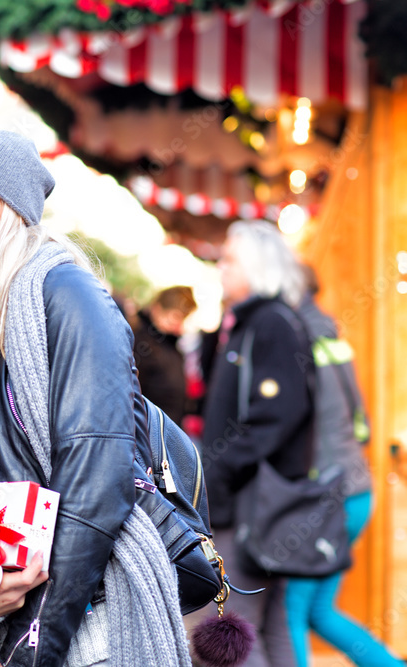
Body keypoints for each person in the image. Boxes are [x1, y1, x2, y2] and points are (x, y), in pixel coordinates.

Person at [0, 131, 189, 667]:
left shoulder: (65, 295)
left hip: (87, 627)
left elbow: (98, 480)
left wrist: (30, 646)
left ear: (10, 202)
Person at [200, 220, 315, 667]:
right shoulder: (252, 322)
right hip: (255, 502)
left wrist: (220, 469)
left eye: (230, 259)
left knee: (235, 632)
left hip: (253, 504)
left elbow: (277, 414)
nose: (221, 267)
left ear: (256, 265)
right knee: (269, 629)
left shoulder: (270, 324)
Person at [285, 265, 403, 667]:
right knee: (319, 611)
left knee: (291, 614)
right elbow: (363, 427)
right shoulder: (333, 338)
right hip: (356, 493)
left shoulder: (294, 339)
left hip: (325, 499)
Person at [131, 286, 197, 426]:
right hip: (147, 434)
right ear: (157, 309)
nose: (179, 324)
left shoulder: (170, 344)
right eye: (175, 316)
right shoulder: (139, 342)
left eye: (184, 318)